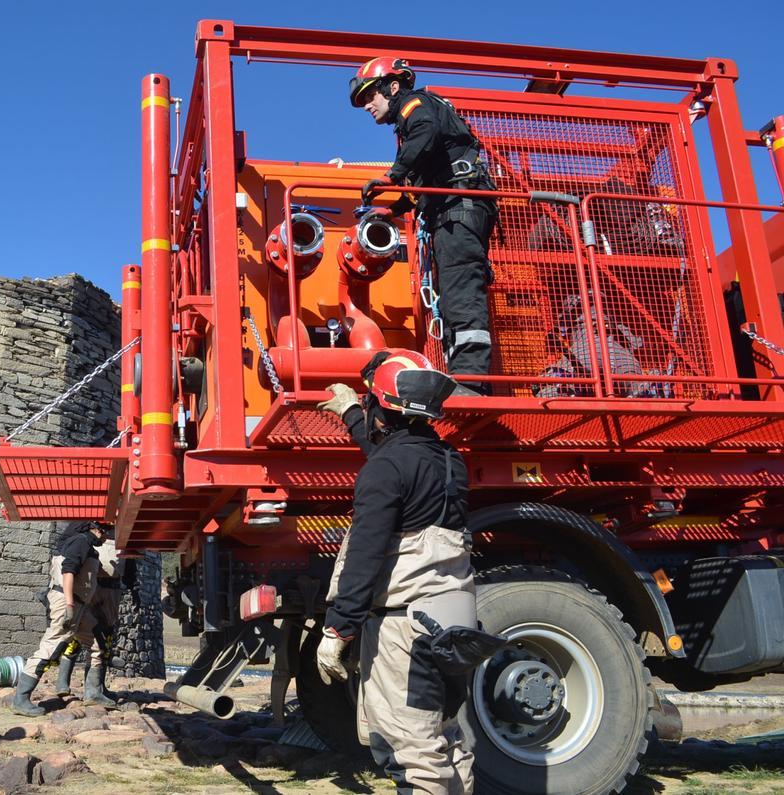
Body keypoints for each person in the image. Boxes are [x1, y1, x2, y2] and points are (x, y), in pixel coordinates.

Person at [316, 350, 486, 795]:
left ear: (381, 408)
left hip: (405, 630)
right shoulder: (449, 460)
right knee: (445, 739)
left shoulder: (386, 469)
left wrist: (338, 630)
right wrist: (352, 413)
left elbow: (365, 555)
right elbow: (399, 456)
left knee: (412, 753)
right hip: (453, 621)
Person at [350, 57, 499, 393]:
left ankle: (472, 383)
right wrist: (392, 210)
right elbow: (422, 183)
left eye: (370, 95)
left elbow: (424, 134)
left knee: (461, 292)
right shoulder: (418, 124)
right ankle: (463, 378)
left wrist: (391, 175)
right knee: (453, 295)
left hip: (459, 210)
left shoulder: (416, 107)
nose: (367, 105)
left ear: (393, 87)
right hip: (452, 210)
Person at [12, 520, 113, 716]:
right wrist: (69, 604)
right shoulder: (81, 541)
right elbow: (68, 571)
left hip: (80, 605)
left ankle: (93, 693)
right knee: (53, 646)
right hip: (67, 602)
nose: (107, 536)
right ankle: (21, 698)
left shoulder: (87, 546)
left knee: (97, 644)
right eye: (105, 531)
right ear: (94, 529)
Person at [55, 537, 139, 703]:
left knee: (105, 637)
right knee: (78, 634)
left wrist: (133, 586)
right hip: (91, 586)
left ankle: (97, 687)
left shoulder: (125, 535)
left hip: (112, 589)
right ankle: (62, 682)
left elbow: (130, 563)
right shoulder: (88, 533)